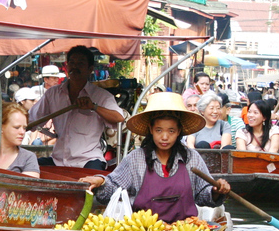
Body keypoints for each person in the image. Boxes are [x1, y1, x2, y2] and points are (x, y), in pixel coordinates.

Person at [80, 92, 230, 223]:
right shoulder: (136, 159)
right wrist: (101, 180)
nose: (164, 137)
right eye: (159, 130)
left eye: (171, 131)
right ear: (151, 129)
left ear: (179, 131)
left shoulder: (192, 158)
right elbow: (112, 189)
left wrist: (216, 191)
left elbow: (203, 195)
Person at [29, 45, 125, 170]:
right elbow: (32, 120)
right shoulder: (52, 94)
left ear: (90, 68)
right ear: (67, 66)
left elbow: (119, 119)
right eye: (72, 63)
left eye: (80, 63)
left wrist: (94, 107)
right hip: (58, 160)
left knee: (93, 183)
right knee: (28, 167)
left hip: (88, 160)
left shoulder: (100, 96)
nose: (75, 67)